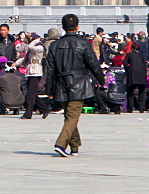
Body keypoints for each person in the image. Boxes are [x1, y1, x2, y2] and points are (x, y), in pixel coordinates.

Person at [43, 13, 105, 158]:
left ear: (63, 27)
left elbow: (50, 69)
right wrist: (102, 80)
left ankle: (75, 146)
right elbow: (93, 64)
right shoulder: (83, 43)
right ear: (77, 27)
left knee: (70, 116)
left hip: (62, 83)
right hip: (79, 82)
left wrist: (49, 89)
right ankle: (60, 144)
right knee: (72, 117)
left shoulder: (55, 45)